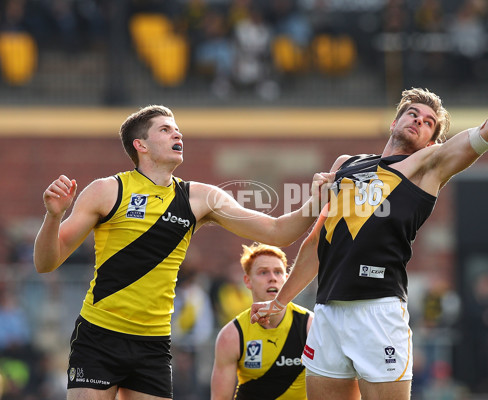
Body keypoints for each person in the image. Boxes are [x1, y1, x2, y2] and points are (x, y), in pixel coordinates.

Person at [251, 49, 488, 400]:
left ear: (431, 141)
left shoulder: (429, 165)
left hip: (377, 310)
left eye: (428, 122)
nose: (418, 121)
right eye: (412, 114)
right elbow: (316, 244)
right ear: (394, 122)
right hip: (327, 311)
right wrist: (280, 302)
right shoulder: (346, 164)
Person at [32, 104, 331, 400]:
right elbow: (46, 263)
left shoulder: (200, 198)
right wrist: (54, 216)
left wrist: (316, 202)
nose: (178, 133)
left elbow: (277, 231)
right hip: (99, 335)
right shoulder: (107, 191)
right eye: (165, 129)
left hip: (153, 343)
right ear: (141, 145)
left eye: (177, 128)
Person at [211, 242, 313, 400]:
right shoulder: (232, 335)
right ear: (247, 281)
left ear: (287, 279)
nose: (272, 278)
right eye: (263, 272)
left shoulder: (310, 325)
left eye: (278, 272)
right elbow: (220, 398)